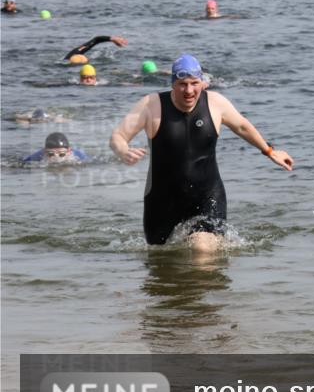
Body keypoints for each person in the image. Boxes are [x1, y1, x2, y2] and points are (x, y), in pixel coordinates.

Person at [109, 54, 294, 253]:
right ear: (173, 83)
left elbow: (241, 126)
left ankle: (204, 282)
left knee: (202, 248)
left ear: (203, 83)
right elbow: (118, 136)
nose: (189, 90)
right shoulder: (150, 105)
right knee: (160, 263)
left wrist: (269, 150)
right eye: (182, 84)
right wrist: (123, 150)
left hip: (207, 195)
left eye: (194, 83)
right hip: (162, 200)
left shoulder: (216, 103)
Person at [22, 132, 88, 164]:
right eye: (51, 154)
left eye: (61, 154)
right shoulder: (37, 156)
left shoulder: (80, 156)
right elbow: (21, 163)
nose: (56, 157)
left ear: (69, 151)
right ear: (44, 151)